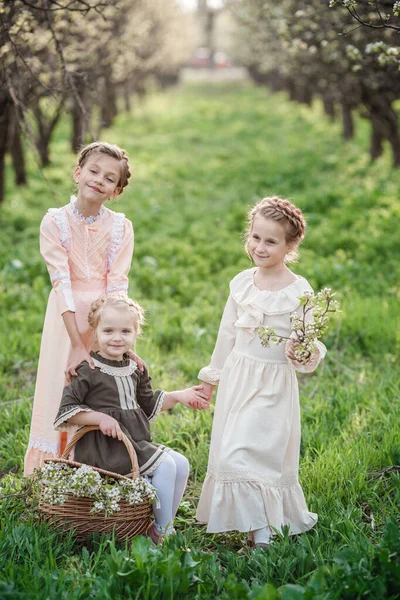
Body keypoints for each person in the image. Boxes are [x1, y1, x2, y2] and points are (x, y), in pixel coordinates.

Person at [196, 196, 327, 549]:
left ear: (290, 245)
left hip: (273, 383)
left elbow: (309, 342)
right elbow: (226, 334)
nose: (260, 246)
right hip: (239, 379)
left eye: (271, 241)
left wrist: (302, 350)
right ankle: (257, 527)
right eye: (255, 237)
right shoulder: (242, 283)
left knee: (254, 452)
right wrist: (210, 380)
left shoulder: (299, 291)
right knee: (231, 452)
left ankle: (262, 536)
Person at [53, 295, 209, 543]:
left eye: (125, 331)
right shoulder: (88, 369)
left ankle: (158, 523)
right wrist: (99, 418)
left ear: (136, 333)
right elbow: (67, 410)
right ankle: (164, 532)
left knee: (181, 463)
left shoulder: (135, 368)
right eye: (108, 330)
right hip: (103, 448)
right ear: (95, 332)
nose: (117, 337)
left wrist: (179, 396)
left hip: (133, 443)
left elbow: (149, 405)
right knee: (166, 466)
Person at [24, 142, 136, 476]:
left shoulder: (120, 228)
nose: (99, 180)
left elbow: (118, 286)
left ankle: (94, 467)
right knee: (63, 385)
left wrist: (116, 340)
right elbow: (61, 285)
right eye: (93, 171)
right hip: (66, 321)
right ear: (78, 173)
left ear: (115, 191)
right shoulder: (55, 222)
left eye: (109, 178)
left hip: (105, 321)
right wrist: (76, 343)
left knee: (100, 387)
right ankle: (55, 471)